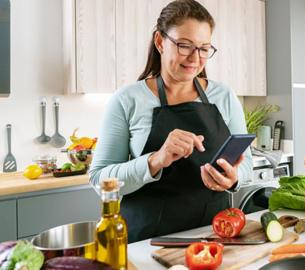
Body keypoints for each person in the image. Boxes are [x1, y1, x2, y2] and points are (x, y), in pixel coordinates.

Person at [89, 0, 253, 243]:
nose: (195, 58)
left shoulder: (224, 96)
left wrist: (234, 177)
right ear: (159, 42)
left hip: (213, 238)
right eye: (185, 46)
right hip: (147, 242)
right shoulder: (127, 100)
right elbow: (99, 179)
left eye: (204, 48)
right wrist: (156, 160)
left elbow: (247, 163)